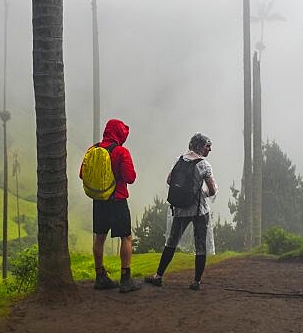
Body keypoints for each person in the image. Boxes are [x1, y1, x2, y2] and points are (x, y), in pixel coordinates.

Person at [145, 133, 217, 291]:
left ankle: (158, 276)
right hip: (199, 211)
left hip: (180, 209)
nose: (209, 149)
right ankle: (196, 281)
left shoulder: (180, 160)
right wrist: (201, 193)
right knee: (200, 245)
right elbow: (212, 190)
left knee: (171, 242)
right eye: (207, 146)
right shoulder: (205, 165)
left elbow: (169, 180)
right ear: (200, 146)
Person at [81, 118, 141, 293]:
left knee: (99, 238)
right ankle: (125, 279)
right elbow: (130, 177)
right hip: (118, 200)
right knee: (126, 238)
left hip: (99, 201)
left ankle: (100, 276)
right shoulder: (121, 152)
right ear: (119, 133)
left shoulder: (93, 150)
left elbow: (82, 174)